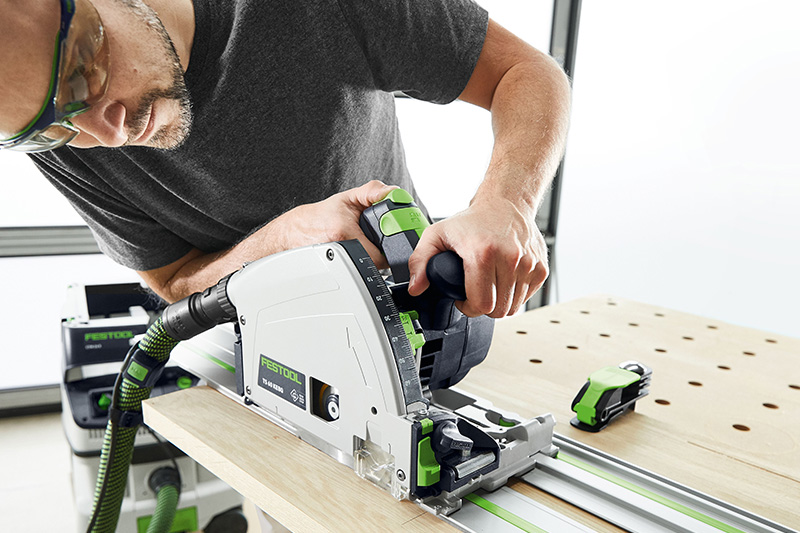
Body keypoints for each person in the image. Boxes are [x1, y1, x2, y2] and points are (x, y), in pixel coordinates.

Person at [0, 0, 570, 320]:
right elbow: (173, 280)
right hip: (273, 366)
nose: (108, 129)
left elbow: (524, 73)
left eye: (86, 71)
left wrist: (506, 203)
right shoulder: (64, 147)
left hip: (424, 306)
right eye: (52, 125)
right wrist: (277, 245)